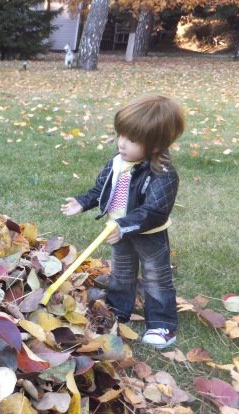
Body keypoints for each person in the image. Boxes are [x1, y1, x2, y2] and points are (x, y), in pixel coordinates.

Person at [61, 94, 185, 349]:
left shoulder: (162, 174)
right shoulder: (117, 163)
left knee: (156, 276)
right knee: (122, 272)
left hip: (147, 234)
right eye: (121, 135)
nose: (122, 143)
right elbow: (101, 190)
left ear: (155, 145)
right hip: (117, 230)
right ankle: (117, 311)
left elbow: (154, 211)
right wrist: (83, 202)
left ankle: (162, 324)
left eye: (132, 140)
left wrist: (124, 225)